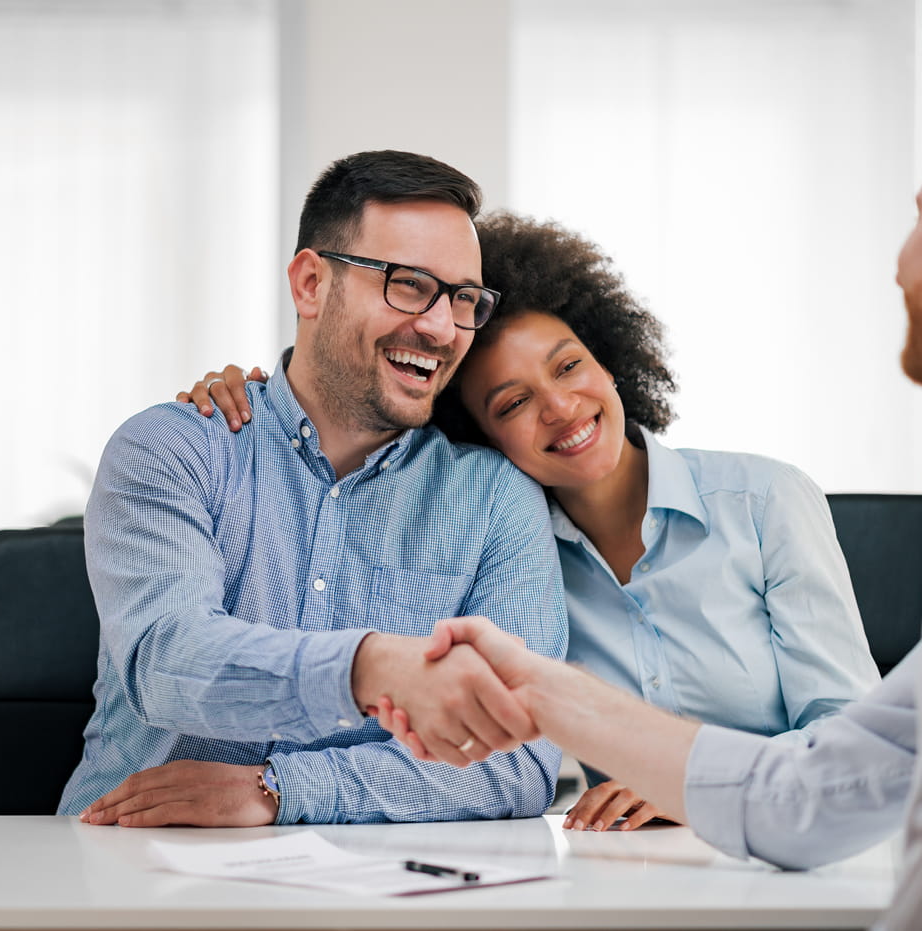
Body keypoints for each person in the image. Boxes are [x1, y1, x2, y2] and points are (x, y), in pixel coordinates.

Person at [382, 68, 922, 931]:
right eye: (509, 404)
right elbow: (830, 782)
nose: (893, 261)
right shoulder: (507, 555)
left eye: (920, 214)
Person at [182, 218, 879, 831]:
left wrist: (696, 785)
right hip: (638, 877)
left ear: (611, 358)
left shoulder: (765, 502)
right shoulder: (511, 554)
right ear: (482, 437)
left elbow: (857, 740)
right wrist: (255, 409)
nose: (561, 407)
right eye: (513, 402)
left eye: (570, 365)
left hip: (806, 848)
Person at [59, 149, 569, 828]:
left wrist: (281, 790)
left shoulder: (496, 501)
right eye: (409, 284)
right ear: (310, 284)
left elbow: (517, 761)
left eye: (464, 299)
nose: (443, 327)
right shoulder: (172, 448)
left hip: (376, 894)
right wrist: (371, 667)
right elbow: (167, 663)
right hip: (133, 866)